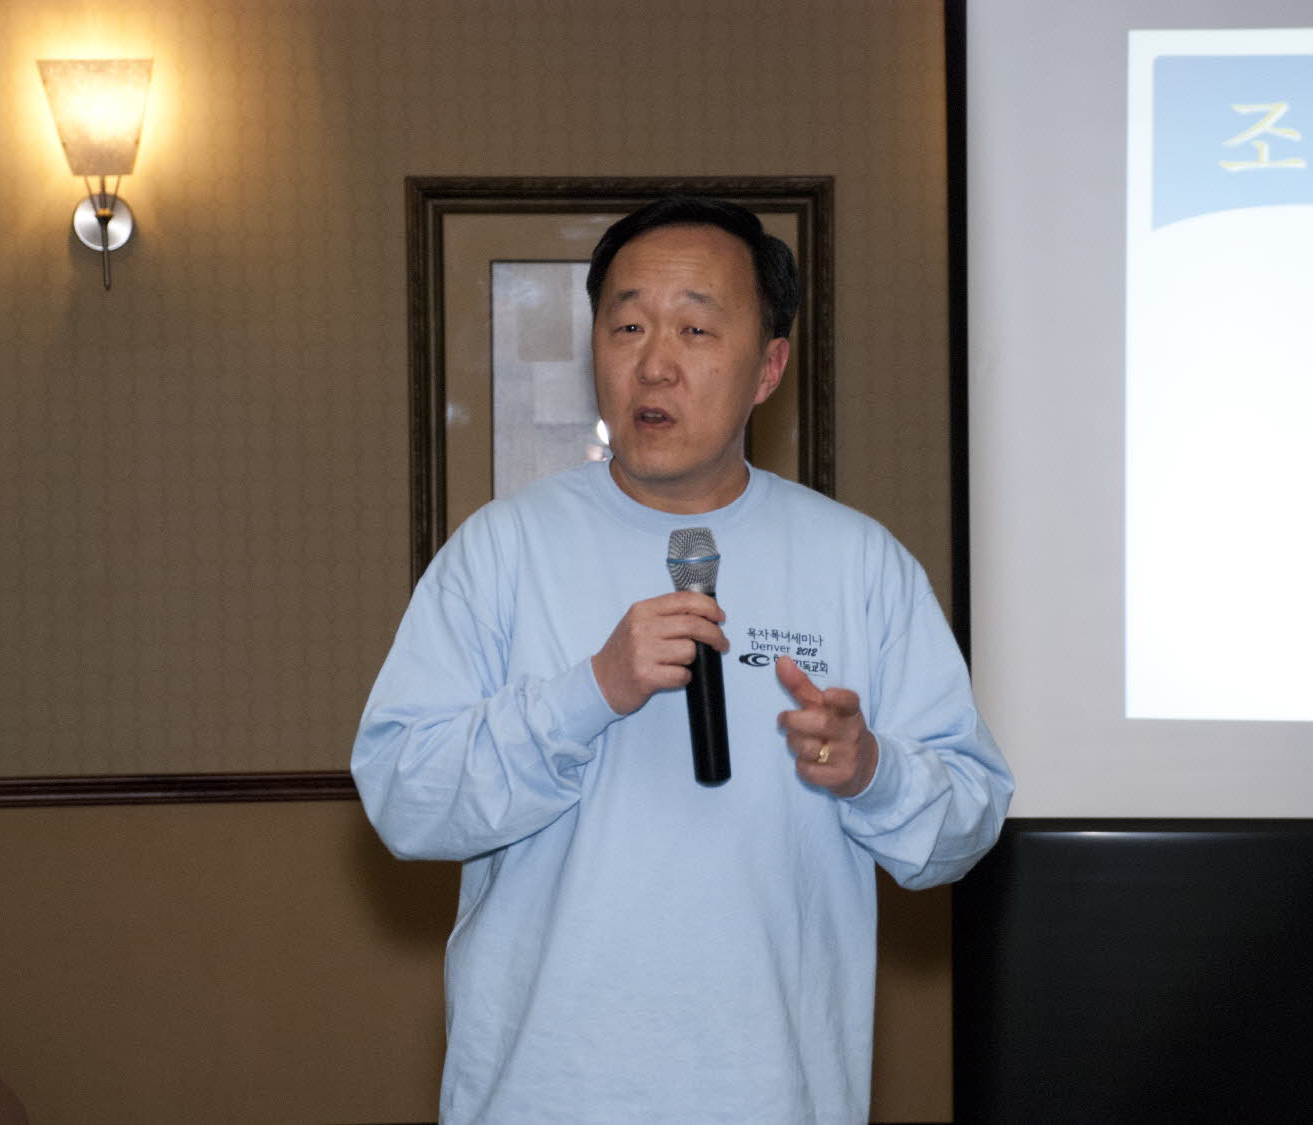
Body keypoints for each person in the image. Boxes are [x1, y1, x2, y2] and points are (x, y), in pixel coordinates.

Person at [351, 197, 1014, 1124]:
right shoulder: (502, 551)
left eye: (696, 329)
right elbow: (402, 798)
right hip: (545, 1094)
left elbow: (968, 823)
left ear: (768, 367)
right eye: (626, 326)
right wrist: (590, 691)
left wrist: (872, 769)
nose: (654, 362)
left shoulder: (859, 563)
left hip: (775, 1092)